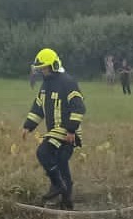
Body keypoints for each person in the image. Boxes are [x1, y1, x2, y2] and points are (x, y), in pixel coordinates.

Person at [22, 48, 85, 209]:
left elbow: (78, 107)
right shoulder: (45, 85)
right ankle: (66, 202)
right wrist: (28, 126)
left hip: (66, 131)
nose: (41, 71)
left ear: (53, 66)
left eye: (43, 68)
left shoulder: (67, 82)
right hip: (55, 131)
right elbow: (38, 107)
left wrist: (71, 130)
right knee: (61, 163)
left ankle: (57, 185)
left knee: (43, 152)